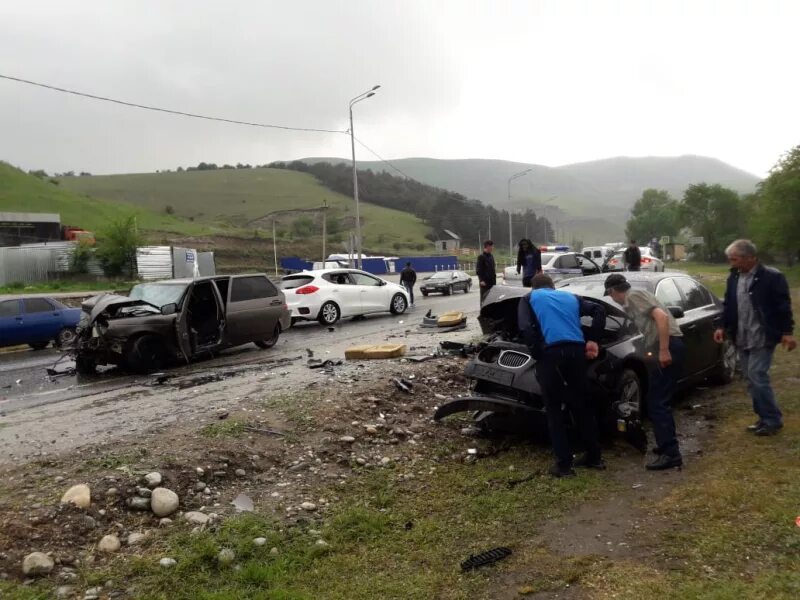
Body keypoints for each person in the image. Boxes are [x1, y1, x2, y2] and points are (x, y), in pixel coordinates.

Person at [518, 273, 607, 477]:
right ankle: (594, 457)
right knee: (582, 405)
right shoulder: (571, 297)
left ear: (534, 288)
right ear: (553, 287)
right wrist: (593, 339)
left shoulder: (528, 299)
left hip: (551, 354)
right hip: (576, 353)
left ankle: (564, 466)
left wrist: (537, 352)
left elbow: (525, 327)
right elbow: (599, 310)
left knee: (554, 408)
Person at [713, 239, 796, 436]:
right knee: (751, 379)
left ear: (750, 258)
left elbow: (783, 307)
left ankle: (772, 420)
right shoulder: (734, 277)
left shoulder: (772, 277)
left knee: (758, 375)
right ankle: (763, 417)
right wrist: (721, 327)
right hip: (741, 335)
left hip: (762, 335)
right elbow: (729, 304)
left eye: (734, 259)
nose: (730, 263)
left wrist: (787, 332)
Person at [604, 273, 685, 469]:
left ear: (614, 291)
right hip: (665, 345)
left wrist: (664, 350)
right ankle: (666, 446)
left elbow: (661, 317)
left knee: (658, 403)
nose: (611, 298)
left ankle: (671, 454)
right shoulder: (636, 297)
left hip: (668, 346)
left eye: (610, 294)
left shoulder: (633, 297)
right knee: (658, 400)